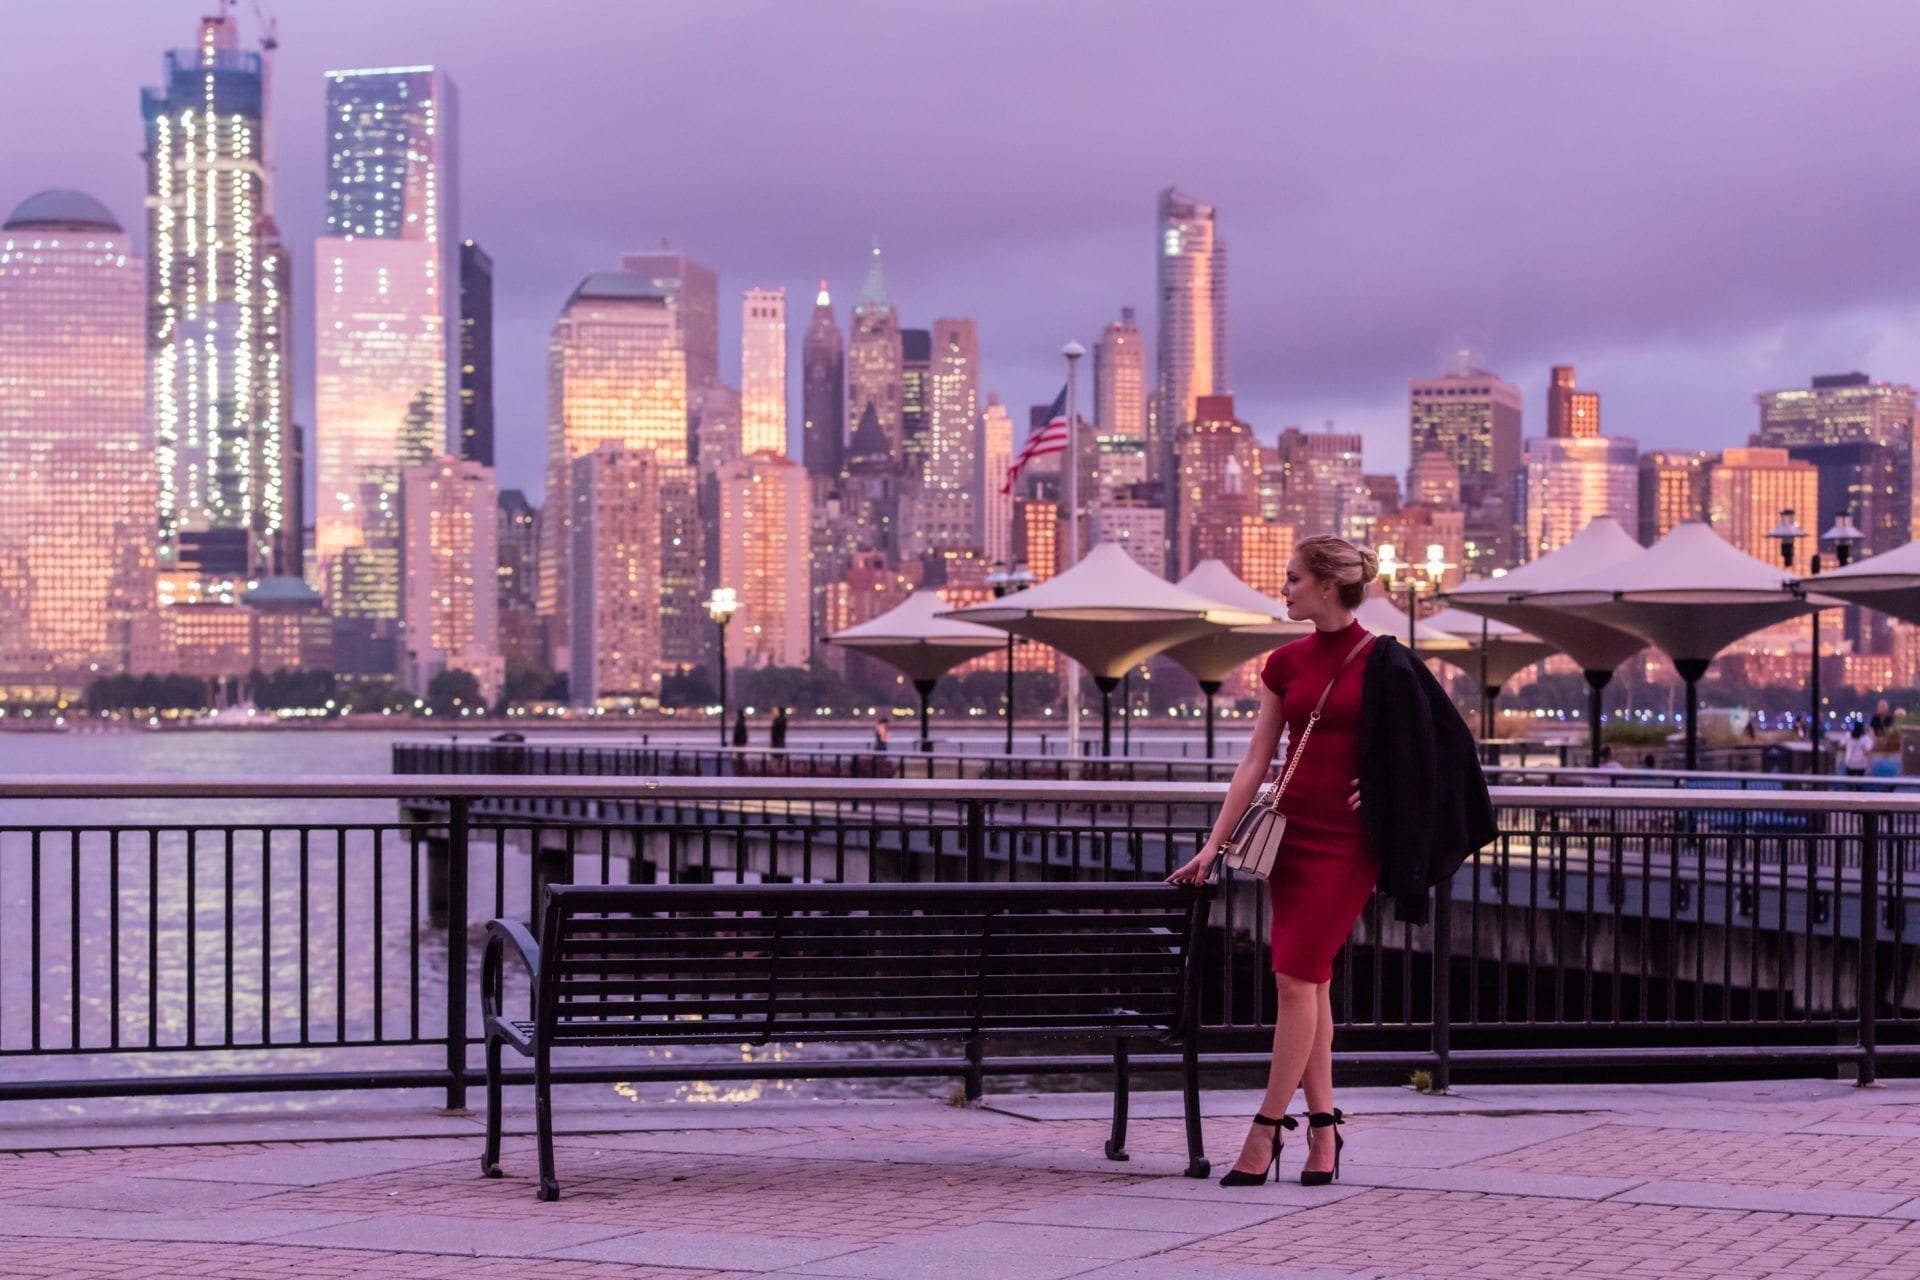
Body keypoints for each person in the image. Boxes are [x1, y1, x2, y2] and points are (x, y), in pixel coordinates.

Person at [1168, 535, 1494, 1189]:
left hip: (1348, 844)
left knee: (1295, 979)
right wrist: (1213, 845)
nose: (1283, 590)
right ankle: (1324, 1130)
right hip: (1288, 836)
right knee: (1307, 983)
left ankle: (1265, 1128)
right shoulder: (1284, 663)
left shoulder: (1386, 662)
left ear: (1325, 585)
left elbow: (1443, 747)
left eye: (1291, 579)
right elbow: (1256, 761)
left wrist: (1382, 788)